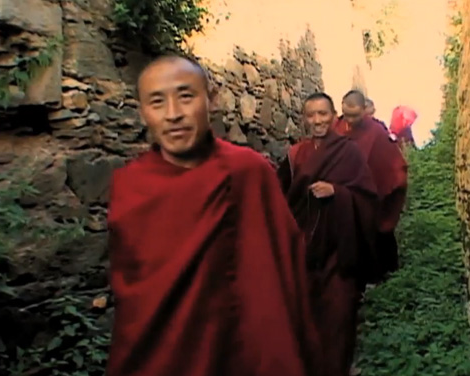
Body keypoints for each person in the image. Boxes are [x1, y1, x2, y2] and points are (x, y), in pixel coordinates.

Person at [106, 55, 322, 376]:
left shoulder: (247, 172)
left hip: (246, 352)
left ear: (212, 99)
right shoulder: (130, 187)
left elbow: (285, 268)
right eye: (156, 102)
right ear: (142, 112)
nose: (173, 114)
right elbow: (132, 297)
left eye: (186, 96)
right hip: (162, 356)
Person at [277, 92, 378, 376]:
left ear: (334, 117)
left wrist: (339, 193)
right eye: (312, 115)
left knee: (338, 316)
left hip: (339, 252)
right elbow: (279, 196)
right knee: (305, 317)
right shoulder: (296, 154)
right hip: (303, 250)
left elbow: (368, 198)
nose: (318, 120)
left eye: (323, 114)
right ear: (304, 119)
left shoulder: (349, 152)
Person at [332, 90, 408, 282]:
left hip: (371, 197)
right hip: (343, 197)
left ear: (365, 110)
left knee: (376, 237)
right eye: (346, 114)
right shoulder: (336, 129)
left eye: (355, 115)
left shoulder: (376, 131)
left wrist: (393, 182)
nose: (349, 120)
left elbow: (390, 163)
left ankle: (382, 283)